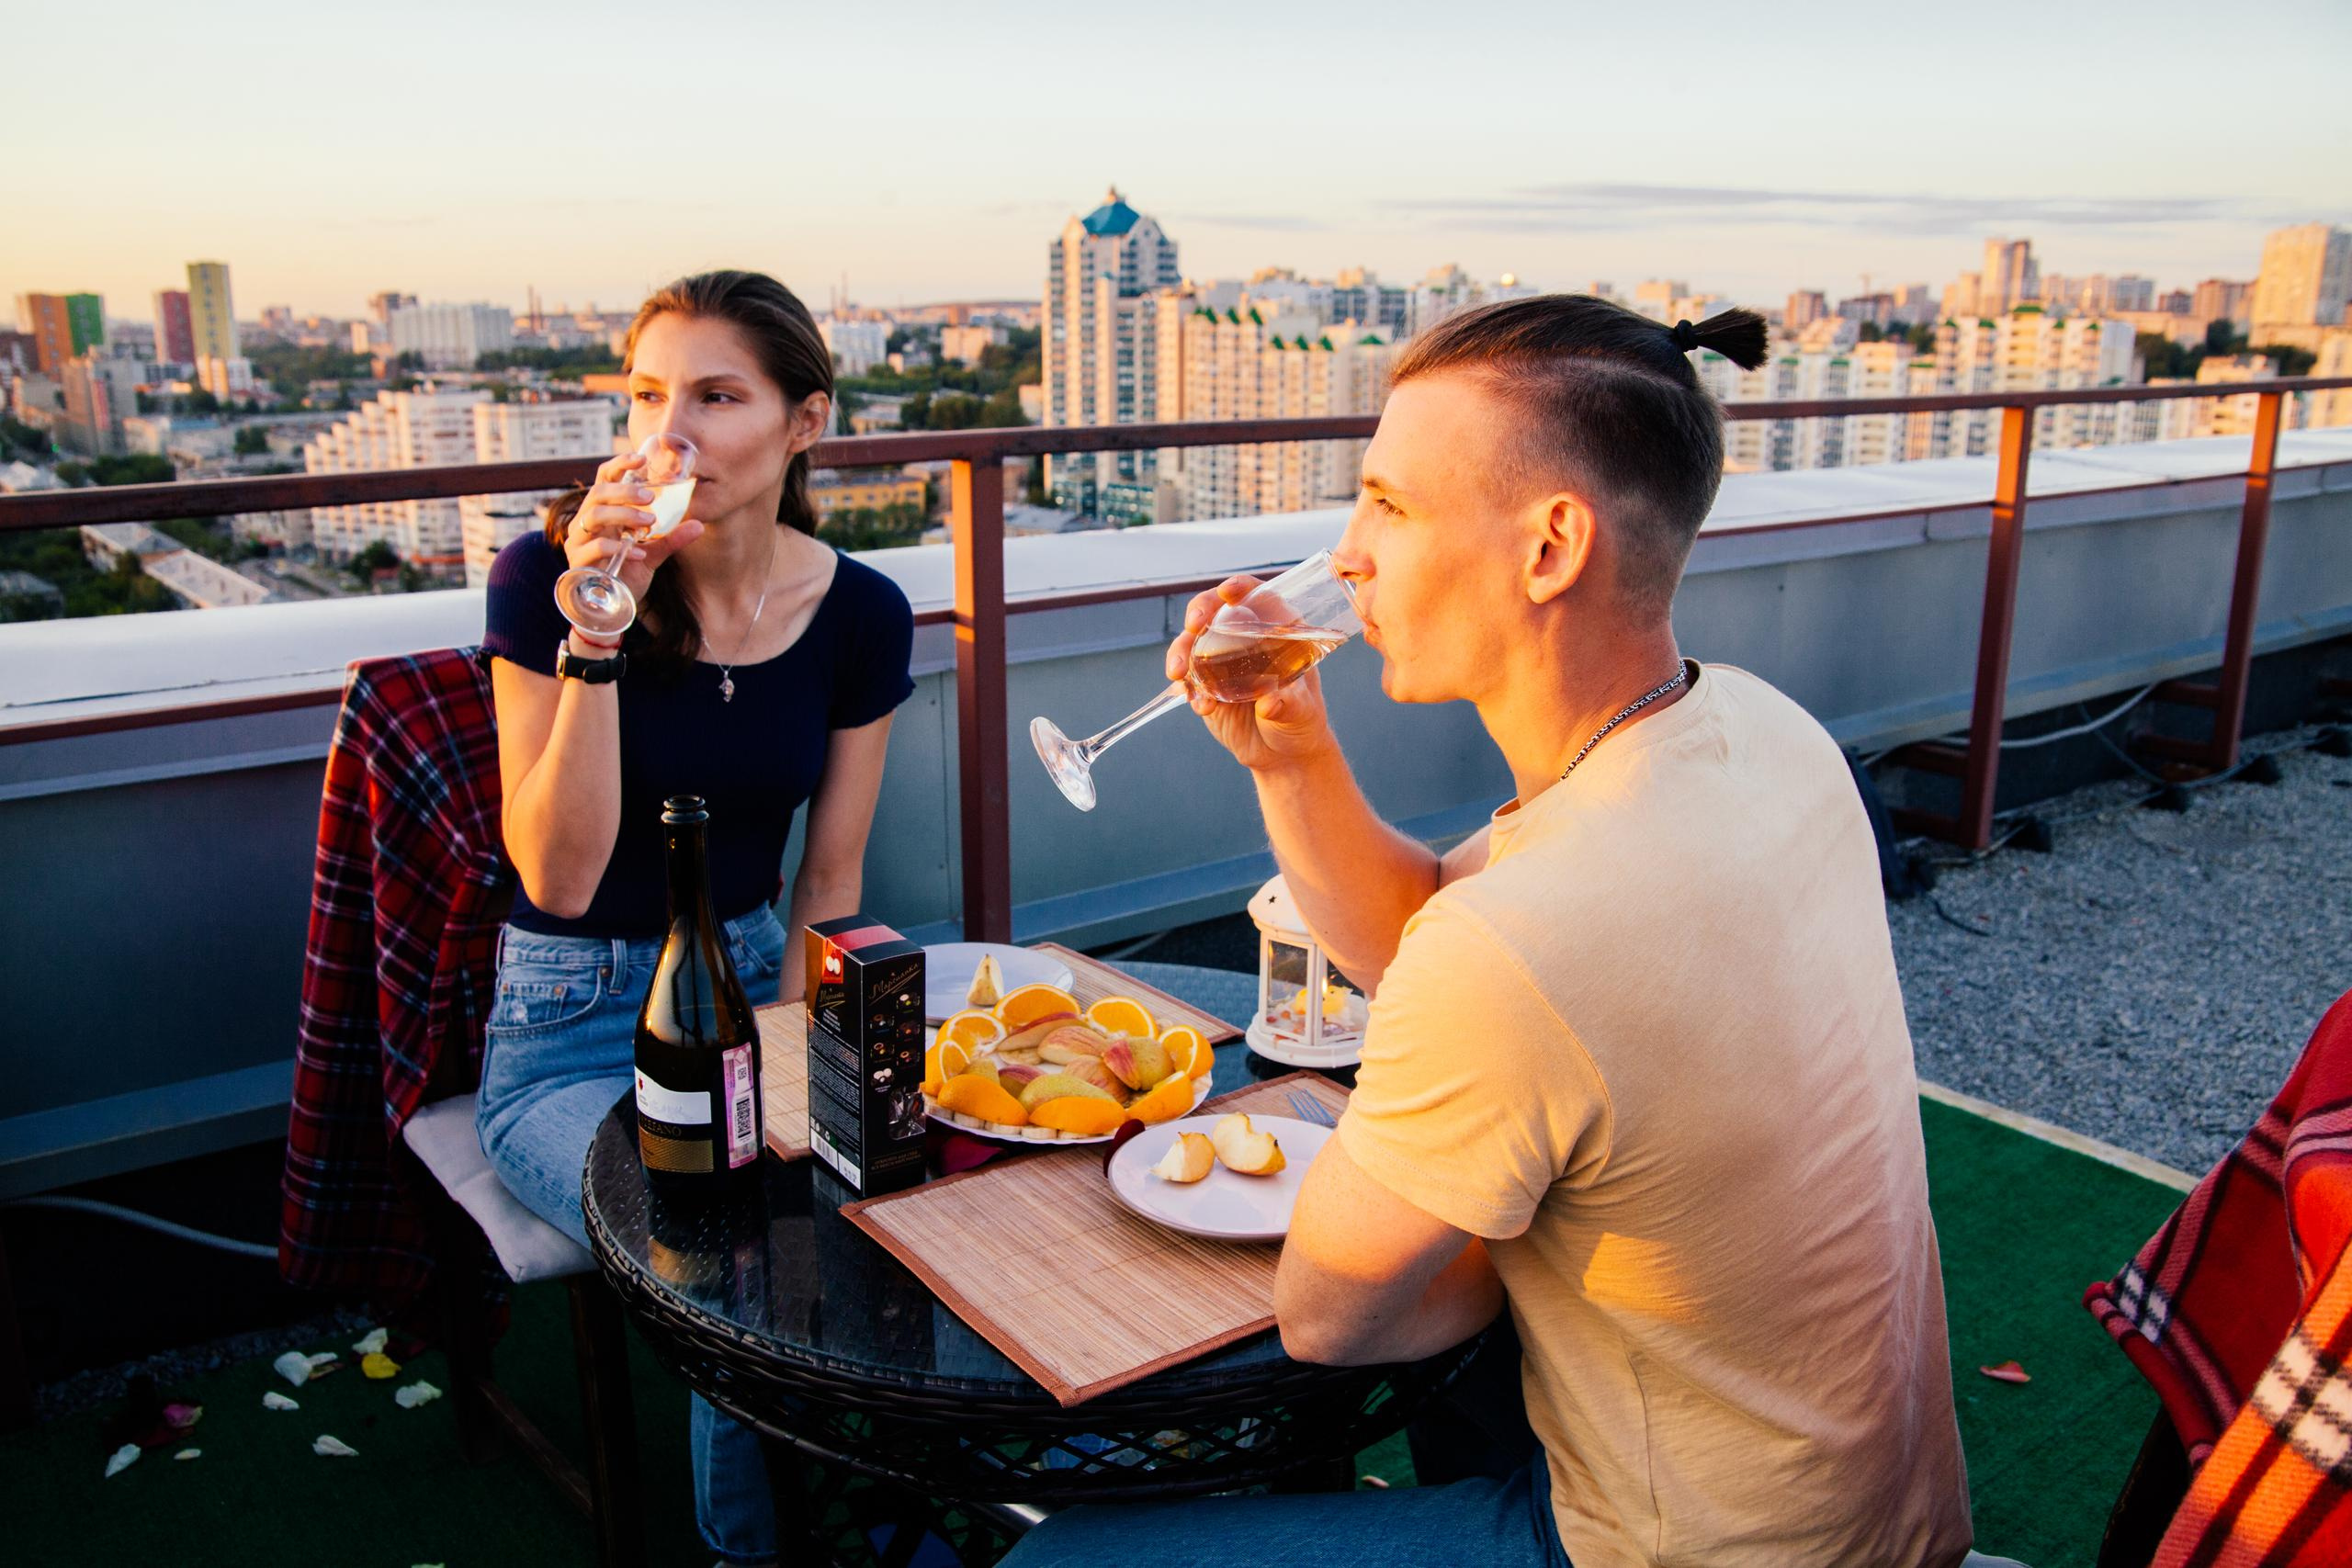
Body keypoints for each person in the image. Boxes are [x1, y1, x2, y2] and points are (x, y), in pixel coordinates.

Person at [1001, 297, 1974, 1567]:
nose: (1347, 554)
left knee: (1057, 1565)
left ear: (1549, 546)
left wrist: (1434, 1189)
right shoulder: (1759, 730)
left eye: (1389, 506)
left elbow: (1327, 1319)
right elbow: (1437, 942)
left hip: (1695, 1548)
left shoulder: (1526, 942)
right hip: (1880, 1516)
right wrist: (1288, 754)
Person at [473, 269, 915, 1567]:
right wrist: (596, 626)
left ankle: (886, 1487)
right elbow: (557, 875)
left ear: (803, 422)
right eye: (649, 397)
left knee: (879, 1196)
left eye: (717, 397)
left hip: (758, 985)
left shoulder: (860, 614)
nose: (670, 435)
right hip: (566, 1027)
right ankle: (752, 1555)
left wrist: (793, 1079)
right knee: (733, 1260)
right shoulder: (543, 580)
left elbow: (830, 884)